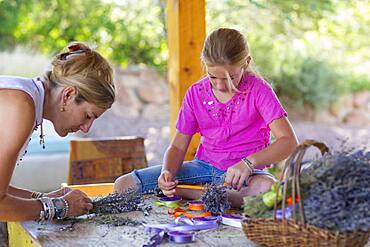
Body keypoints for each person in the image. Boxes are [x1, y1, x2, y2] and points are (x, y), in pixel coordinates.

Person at [114, 28, 298, 207]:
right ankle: (202, 192)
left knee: (268, 189)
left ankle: (191, 193)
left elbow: (288, 141)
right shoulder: (196, 93)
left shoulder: (259, 90)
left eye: (229, 78)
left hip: (243, 177)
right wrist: (167, 172)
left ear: (246, 63)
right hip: (202, 169)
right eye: (213, 77)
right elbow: (178, 145)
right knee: (124, 185)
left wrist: (249, 163)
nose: (220, 85)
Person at [0, 42, 116, 221]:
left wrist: (46, 198)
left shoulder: (24, 96)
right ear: (68, 95)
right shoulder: (21, 106)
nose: (86, 128)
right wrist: (60, 206)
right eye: (87, 115)